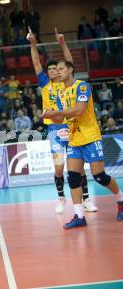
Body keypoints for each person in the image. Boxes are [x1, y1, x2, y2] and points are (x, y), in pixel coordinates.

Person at [43, 60, 123, 229]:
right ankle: (79, 216)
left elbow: (79, 110)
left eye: (61, 69)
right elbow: (60, 118)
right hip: (74, 139)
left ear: (70, 70)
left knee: (99, 176)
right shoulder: (60, 94)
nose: (58, 72)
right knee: (73, 177)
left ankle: (121, 199)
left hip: (90, 136)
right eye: (56, 70)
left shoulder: (82, 86)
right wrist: (48, 115)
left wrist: (56, 112)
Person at [28, 27, 97, 214]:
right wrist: (33, 43)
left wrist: (62, 43)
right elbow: (35, 62)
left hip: (72, 127)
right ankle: (61, 197)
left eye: (54, 69)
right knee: (59, 168)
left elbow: (70, 62)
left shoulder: (67, 82)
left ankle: (86, 199)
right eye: (49, 69)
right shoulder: (45, 84)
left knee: (79, 167)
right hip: (54, 131)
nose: (52, 71)